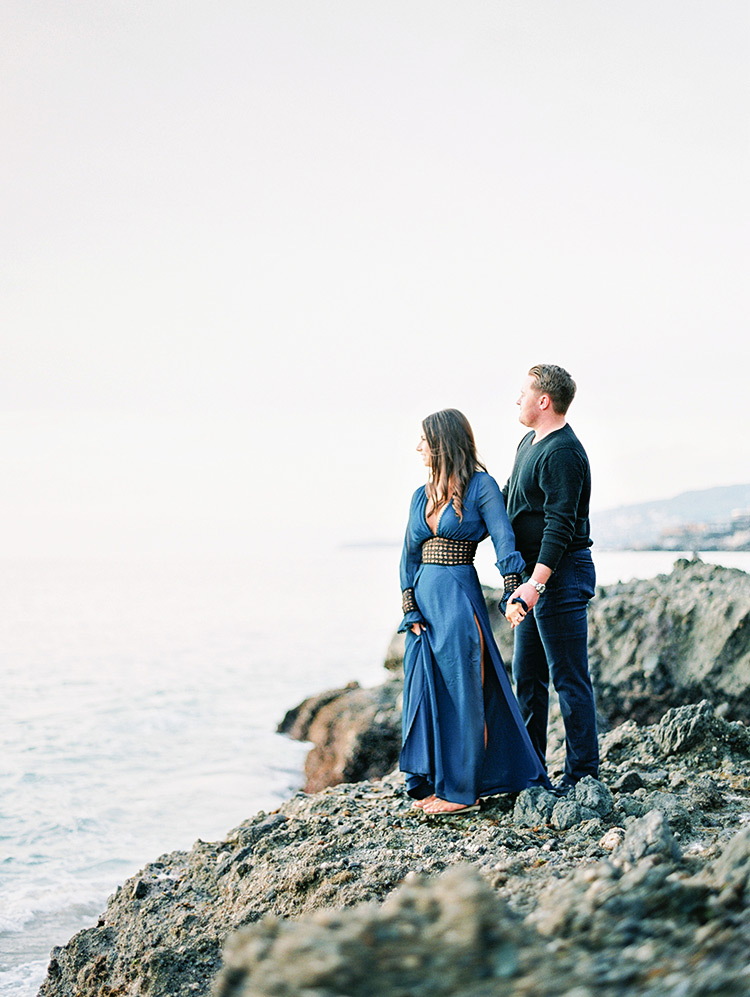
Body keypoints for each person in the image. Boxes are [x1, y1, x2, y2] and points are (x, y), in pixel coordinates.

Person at [399, 408, 551, 816]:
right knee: (426, 695)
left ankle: (462, 792)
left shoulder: (481, 487)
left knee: (463, 696)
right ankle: (438, 782)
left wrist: (512, 591)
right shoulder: (420, 495)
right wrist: (409, 608)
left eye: (424, 441)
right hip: (425, 610)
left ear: (443, 443)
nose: (418, 447)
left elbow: (504, 541)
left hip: (458, 601)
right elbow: (408, 556)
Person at [502, 364, 599, 795]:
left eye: (523, 392)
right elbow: (508, 497)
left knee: (569, 678)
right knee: (528, 676)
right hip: (533, 579)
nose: (516, 399)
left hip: (558, 578)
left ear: (544, 400)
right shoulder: (529, 442)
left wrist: (535, 585)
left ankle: (582, 776)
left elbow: (560, 526)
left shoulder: (563, 453)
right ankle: (531, 770)